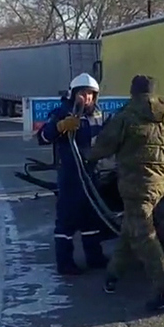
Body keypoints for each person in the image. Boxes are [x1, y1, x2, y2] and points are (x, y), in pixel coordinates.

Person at [87, 75, 164, 312]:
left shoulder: (125, 116)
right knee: (131, 227)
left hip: (136, 186)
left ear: (132, 92)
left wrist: (87, 155)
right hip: (162, 184)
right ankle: (113, 276)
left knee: (144, 236)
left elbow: (102, 147)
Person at [38, 73, 109, 275]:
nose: (87, 98)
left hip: (91, 173)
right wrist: (60, 126)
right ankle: (65, 262)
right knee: (67, 219)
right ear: (74, 94)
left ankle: (94, 257)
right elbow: (42, 137)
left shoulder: (99, 115)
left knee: (91, 218)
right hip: (71, 174)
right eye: (83, 93)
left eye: (90, 94)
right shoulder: (62, 113)